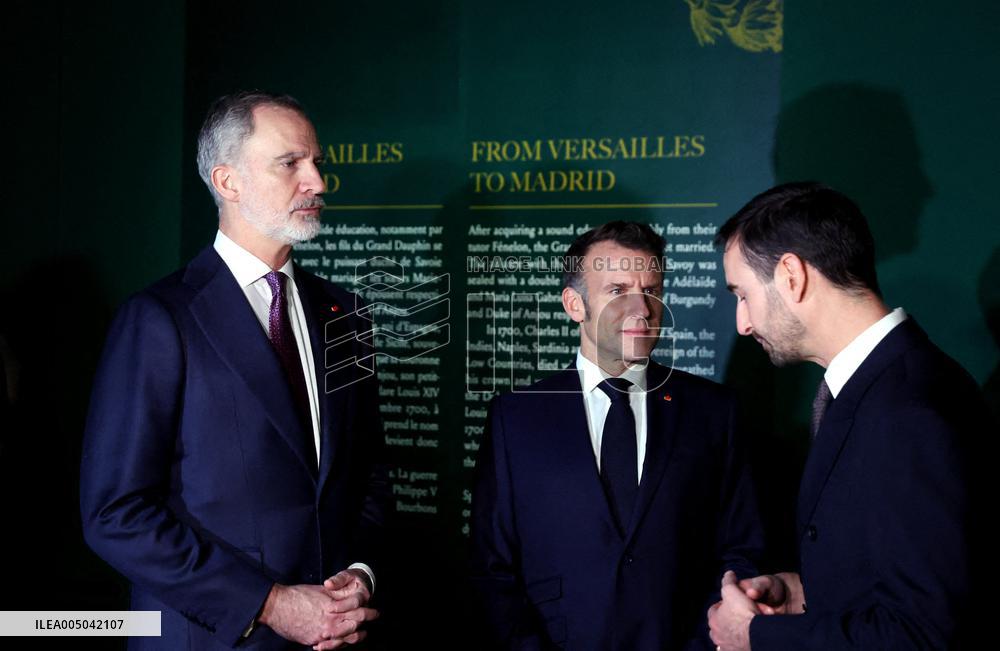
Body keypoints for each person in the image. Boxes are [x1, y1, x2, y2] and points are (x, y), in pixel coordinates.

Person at [81, 91, 388, 650]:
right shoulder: (159, 318)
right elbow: (115, 513)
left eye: (317, 163)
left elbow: (366, 476)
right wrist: (269, 604)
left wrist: (360, 575)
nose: (317, 182)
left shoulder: (345, 315)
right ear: (228, 182)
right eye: (290, 163)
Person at [708, 182, 990, 650]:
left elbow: (922, 634)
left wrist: (756, 636)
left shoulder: (907, 412)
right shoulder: (885, 386)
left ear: (791, 276)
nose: (743, 324)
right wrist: (803, 594)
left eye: (742, 295)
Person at [470, 221, 762, 650]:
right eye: (617, 291)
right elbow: (492, 570)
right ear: (574, 305)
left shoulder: (715, 413)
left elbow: (741, 551)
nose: (641, 309)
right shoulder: (514, 419)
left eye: (652, 290)